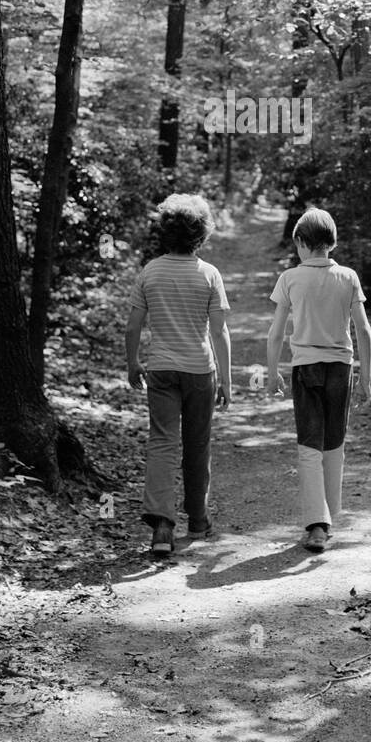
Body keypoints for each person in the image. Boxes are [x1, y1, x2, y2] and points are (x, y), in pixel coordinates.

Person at [125, 194, 232, 556]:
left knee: (162, 442)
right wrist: (227, 381)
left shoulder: (150, 272)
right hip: (201, 371)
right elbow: (218, 332)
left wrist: (132, 363)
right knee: (197, 443)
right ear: (200, 235)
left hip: (161, 370)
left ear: (165, 232)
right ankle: (198, 520)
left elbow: (133, 326)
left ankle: (162, 526)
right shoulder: (209, 274)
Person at [265, 207, 371, 552]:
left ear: (300, 241)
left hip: (306, 368)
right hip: (341, 368)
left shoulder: (290, 278)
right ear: (331, 242)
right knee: (334, 444)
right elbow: (364, 330)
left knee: (309, 445)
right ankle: (329, 516)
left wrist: (271, 373)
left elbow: (276, 332)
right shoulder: (349, 277)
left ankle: (317, 524)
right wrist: (366, 377)